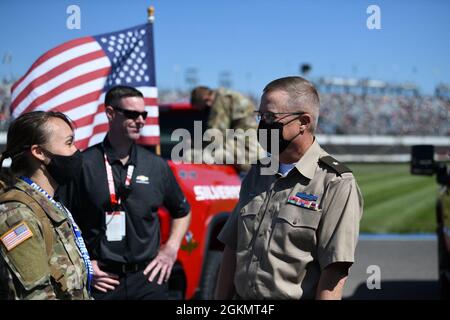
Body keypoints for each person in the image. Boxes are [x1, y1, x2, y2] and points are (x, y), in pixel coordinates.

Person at [215, 76, 364, 300]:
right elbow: (232, 248)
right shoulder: (258, 172)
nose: (263, 124)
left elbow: (334, 272)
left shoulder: (335, 182)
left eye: (270, 117)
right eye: (260, 116)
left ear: (303, 122)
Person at [58, 86, 191, 300]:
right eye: (132, 114)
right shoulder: (83, 164)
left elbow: (182, 210)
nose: (140, 120)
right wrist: (82, 263)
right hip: (102, 281)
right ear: (110, 113)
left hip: (148, 279)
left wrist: (171, 249)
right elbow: (60, 219)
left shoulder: (156, 166)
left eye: (144, 114)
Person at [0, 111, 92, 299]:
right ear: (39, 152)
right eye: (69, 143)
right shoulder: (16, 214)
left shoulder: (49, 204)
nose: (76, 150)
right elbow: (37, 295)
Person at [190, 86, 261, 173]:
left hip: (245, 148)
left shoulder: (220, 100)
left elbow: (215, 134)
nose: (205, 110)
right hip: (252, 147)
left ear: (206, 99)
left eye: (203, 107)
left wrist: (195, 144)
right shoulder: (226, 95)